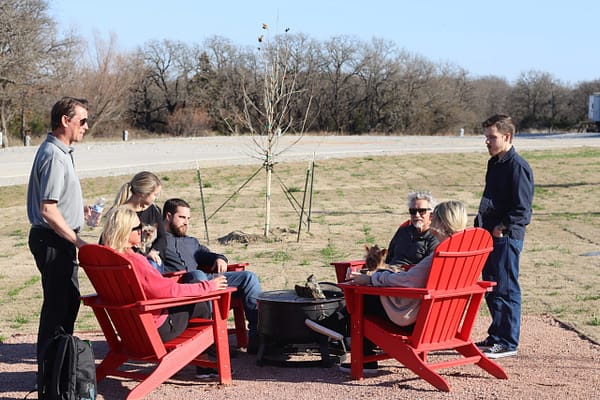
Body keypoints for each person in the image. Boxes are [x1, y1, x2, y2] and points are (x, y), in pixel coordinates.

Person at [305, 200, 469, 374]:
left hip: (417, 320)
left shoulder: (440, 254)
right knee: (369, 292)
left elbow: (409, 281)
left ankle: (357, 352)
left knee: (365, 296)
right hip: (443, 318)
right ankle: (335, 326)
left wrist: (372, 279)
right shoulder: (465, 250)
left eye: (433, 217)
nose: (430, 221)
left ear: (441, 223)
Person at [100, 206, 229, 379]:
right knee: (202, 302)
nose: (142, 232)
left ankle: (201, 360)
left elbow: (156, 286)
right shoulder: (134, 261)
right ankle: (204, 362)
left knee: (191, 282)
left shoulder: (108, 260)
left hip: (130, 331)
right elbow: (169, 291)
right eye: (137, 228)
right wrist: (209, 287)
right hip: (157, 329)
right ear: (124, 232)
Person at [152, 198, 262, 354]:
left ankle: (259, 336)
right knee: (197, 274)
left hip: (208, 284)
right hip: (184, 290)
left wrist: (220, 258)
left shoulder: (191, 242)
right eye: (182, 217)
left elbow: (208, 256)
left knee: (248, 277)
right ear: (168, 217)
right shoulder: (158, 242)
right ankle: (212, 339)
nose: (186, 222)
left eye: (188, 219)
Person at [26, 97, 91, 361]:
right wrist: (78, 241)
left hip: (56, 238)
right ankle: (51, 373)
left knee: (68, 301)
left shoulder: (61, 153)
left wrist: (79, 211)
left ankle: (59, 366)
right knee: (57, 306)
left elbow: (57, 202)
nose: (86, 126)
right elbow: (48, 210)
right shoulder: (54, 155)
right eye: (83, 120)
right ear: (65, 120)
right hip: (52, 240)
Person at [475, 114, 534, 359]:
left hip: (506, 238)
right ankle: (496, 335)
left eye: (492, 137)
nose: (487, 142)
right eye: (486, 137)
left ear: (506, 136)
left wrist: (501, 227)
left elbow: (523, 209)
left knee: (506, 289)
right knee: (492, 287)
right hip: (488, 237)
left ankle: (508, 342)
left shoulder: (518, 166)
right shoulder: (495, 163)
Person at [104, 171, 164, 267]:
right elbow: (108, 241)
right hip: (128, 261)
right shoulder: (120, 213)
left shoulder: (154, 209)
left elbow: (162, 237)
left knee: (152, 263)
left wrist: (153, 252)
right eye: (155, 195)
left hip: (149, 259)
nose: (156, 198)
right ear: (143, 194)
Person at [385, 191, 439, 269]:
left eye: (421, 211)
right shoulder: (403, 231)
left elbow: (427, 268)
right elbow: (388, 257)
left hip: (409, 276)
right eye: (413, 211)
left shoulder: (434, 237)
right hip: (389, 272)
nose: (416, 215)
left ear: (431, 214)